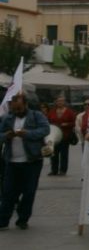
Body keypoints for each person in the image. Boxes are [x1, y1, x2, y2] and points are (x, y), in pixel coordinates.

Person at [0, 94, 50, 230]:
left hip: (32, 161)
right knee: (8, 192)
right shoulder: (7, 118)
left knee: (29, 192)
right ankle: (3, 221)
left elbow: (45, 129)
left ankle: (22, 219)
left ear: (26, 105)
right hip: (11, 161)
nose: (17, 111)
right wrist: (6, 136)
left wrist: (26, 133)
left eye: (19, 108)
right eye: (14, 108)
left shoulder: (37, 115)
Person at [46, 95, 76, 176]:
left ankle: (63, 170)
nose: (60, 102)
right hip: (54, 136)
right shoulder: (52, 111)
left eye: (62, 101)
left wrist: (67, 124)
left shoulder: (69, 112)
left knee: (64, 154)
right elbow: (47, 121)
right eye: (58, 101)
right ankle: (54, 170)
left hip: (65, 136)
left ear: (64, 102)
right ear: (56, 102)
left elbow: (74, 122)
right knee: (53, 153)